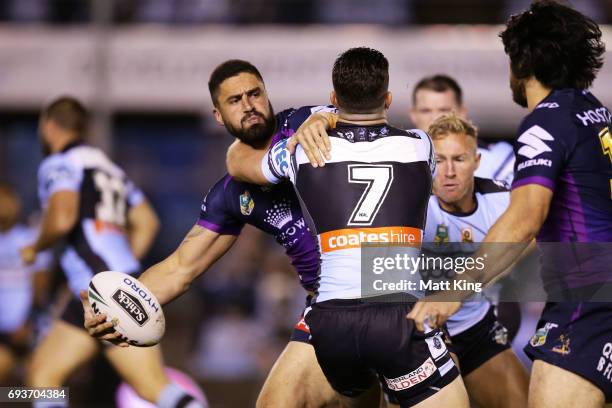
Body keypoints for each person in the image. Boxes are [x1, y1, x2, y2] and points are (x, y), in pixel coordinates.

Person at [82, 60, 345, 407]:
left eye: (255, 94)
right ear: (218, 116)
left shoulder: (301, 123)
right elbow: (180, 269)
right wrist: (116, 310)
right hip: (324, 306)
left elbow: (353, 115)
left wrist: (326, 117)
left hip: (381, 285)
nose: (249, 105)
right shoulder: (231, 194)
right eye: (234, 101)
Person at [227, 47, 469, 407]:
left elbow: (237, 161)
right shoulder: (421, 147)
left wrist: (322, 119)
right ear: (388, 99)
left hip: (331, 323)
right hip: (398, 316)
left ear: (333, 98)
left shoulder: (301, 152)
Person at [408, 1, 612, 407]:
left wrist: (455, 291)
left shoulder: (546, 121)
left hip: (587, 299)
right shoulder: (596, 114)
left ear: (523, 63)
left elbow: (524, 218)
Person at [20, 97, 204, 408]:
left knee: (43, 376)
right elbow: (147, 222)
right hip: (120, 284)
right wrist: (121, 275)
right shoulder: (108, 167)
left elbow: (63, 216)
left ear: (50, 127)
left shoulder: (58, 163)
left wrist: (34, 246)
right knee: (153, 387)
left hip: (97, 289)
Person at [420, 114, 528, 407]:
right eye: (439, 160)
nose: (449, 171)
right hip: (421, 331)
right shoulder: (410, 203)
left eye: (459, 159)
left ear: (477, 162)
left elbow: (536, 234)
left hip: (475, 325)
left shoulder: (502, 200)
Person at [409, 74, 515, 185]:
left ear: (462, 112)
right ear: (413, 115)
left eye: (444, 110)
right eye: (426, 111)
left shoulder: (498, 158)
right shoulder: (396, 158)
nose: (435, 118)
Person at [0, 183, 51, 384]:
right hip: (3, 332)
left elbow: (41, 286)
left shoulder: (31, 239)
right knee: (8, 391)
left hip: (28, 328)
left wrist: (28, 321)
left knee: (42, 382)